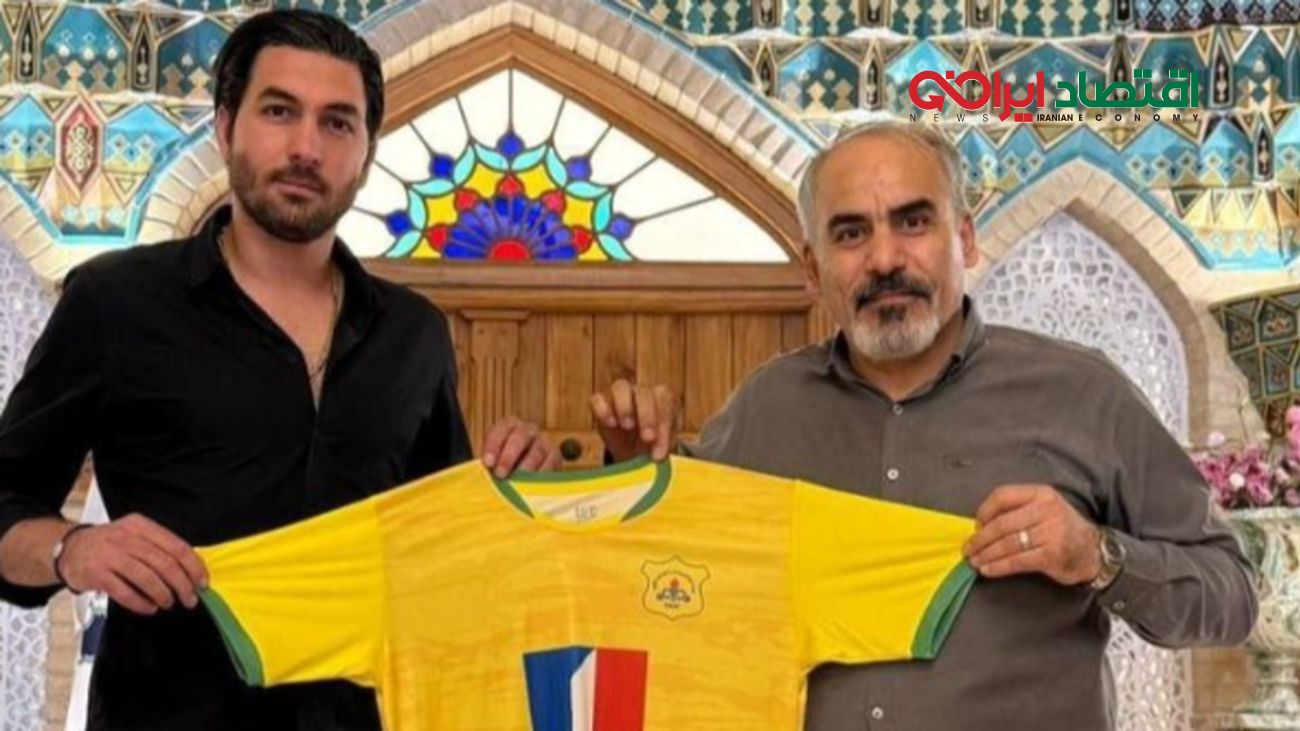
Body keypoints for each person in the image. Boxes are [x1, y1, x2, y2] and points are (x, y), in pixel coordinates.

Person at [591, 120, 1257, 730]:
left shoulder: (1084, 393)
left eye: (913, 222)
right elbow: (663, 581)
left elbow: (1232, 597)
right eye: (850, 233)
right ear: (813, 266)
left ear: (964, 238)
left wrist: (1097, 555)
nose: (884, 259)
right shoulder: (768, 409)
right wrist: (632, 467)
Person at [0, 10, 554, 730]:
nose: (305, 148)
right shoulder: (115, 301)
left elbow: (442, 553)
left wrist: (516, 492)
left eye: (337, 123)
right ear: (226, 127)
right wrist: (72, 548)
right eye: (279, 111)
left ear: (367, 153)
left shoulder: (414, 333)